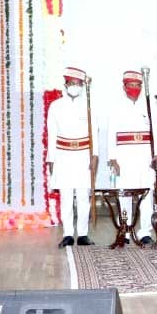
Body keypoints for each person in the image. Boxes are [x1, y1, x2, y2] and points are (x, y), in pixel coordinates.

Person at [47, 67, 96, 248]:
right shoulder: (56, 106)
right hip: (63, 156)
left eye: (78, 84)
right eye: (72, 83)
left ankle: (83, 234)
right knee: (66, 197)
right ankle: (68, 234)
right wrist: (51, 159)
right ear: (65, 84)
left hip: (83, 155)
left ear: (83, 86)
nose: (75, 87)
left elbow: (94, 134)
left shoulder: (89, 105)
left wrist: (95, 155)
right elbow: (52, 135)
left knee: (83, 196)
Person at [106, 70, 154, 246]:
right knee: (124, 194)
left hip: (144, 158)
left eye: (138, 85)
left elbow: (153, 135)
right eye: (131, 85)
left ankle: (145, 232)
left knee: (147, 194)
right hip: (124, 158)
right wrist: (113, 159)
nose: (135, 88)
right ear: (124, 87)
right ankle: (124, 231)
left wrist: (154, 157)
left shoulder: (147, 107)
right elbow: (111, 135)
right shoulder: (117, 108)